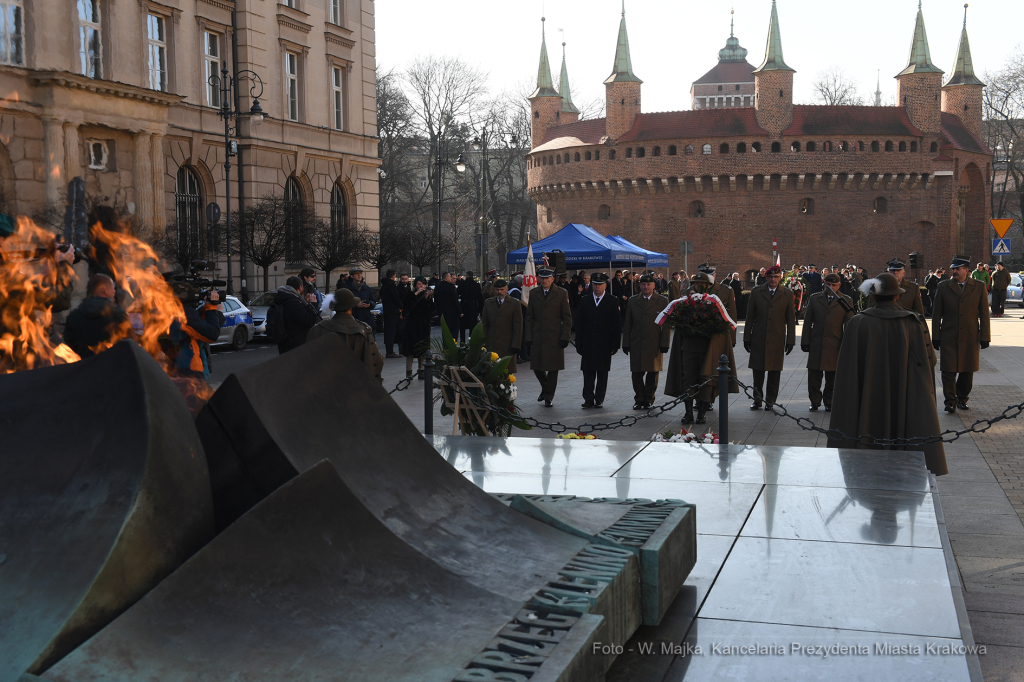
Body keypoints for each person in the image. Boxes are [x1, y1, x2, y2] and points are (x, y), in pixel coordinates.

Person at [828, 273, 946, 476]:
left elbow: (847, 372)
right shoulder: (914, 322)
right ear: (897, 296)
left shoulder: (857, 324)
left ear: (873, 297)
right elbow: (929, 362)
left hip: (868, 400)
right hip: (905, 397)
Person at [663, 272, 738, 424]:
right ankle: (688, 412)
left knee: (707, 379)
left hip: (709, 346)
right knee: (687, 380)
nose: (699, 286)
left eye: (702, 283)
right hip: (689, 346)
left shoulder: (715, 301)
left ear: (708, 285)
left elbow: (726, 319)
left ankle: (702, 412)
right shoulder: (686, 298)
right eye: (696, 283)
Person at [932, 256, 990, 413]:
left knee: (967, 370)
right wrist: (935, 336)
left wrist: (985, 337)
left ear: (967, 270)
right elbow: (936, 314)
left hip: (970, 336)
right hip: (949, 335)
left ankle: (962, 398)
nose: (954, 271)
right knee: (948, 370)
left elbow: (984, 314)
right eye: (953, 269)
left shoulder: (978, 286)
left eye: (958, 269)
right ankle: (950, 401)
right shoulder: (944, 286)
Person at [744, 264, 796, 409]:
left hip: (777, 338)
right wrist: (746, 337)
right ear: (766, 277)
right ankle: (757, 399)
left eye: (776, 277)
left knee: (774, 371)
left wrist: (790, 340)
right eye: (770, 276)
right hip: (759, 337)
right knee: (758, 371)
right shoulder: (756, 292)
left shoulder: (787, 294)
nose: (773, 279)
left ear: (780, 277)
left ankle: (770, 400)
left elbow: (791, 319)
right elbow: (750, 317)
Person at [800, 273, 854, 411]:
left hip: (835, 343)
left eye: (834, 285)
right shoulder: (815, 298)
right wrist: (805, 341)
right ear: (824, 284)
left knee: (832, 376)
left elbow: (849, 324)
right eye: (828, 285)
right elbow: (807, 322)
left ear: (839, 285)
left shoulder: (846, 300)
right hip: (816, 341)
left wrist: (848, 344)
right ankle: (815, 400)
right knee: (814, 375)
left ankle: (829, 400)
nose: (830, 288)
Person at [307, 288, 384, 382]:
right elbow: (376, 360)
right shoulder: (363, 330)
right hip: (355, 385)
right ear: (351, 307)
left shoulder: (317, 330)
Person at [622, 273, 670, 410]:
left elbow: (666, 324)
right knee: (636, 372)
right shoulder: (632, 300)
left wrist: (664, 343)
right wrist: (625, 343)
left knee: (652, 372)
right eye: (643, 284)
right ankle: (639, 398)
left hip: (654, 341)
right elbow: (627, 324)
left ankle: (648, 398)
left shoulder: (662, 300)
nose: (646, 287)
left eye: (649, 284)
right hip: (637, 341)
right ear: (640, 285)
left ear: (654, 286)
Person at [524, 268, 571, 407]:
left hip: (554, 336)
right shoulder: (534, 293)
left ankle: (548, 397)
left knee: (553, 368)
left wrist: (565, 336)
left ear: (552, 279)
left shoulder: (562, 293)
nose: (544, 281)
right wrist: (528, 337)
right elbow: (529, 317)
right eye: (542, 278)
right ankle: (546, 388)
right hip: (538, 335)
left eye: (547, 278)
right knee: (537, 367)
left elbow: (567, 317)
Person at [574, 272, 621, 408]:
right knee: (588, 372)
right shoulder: (585, 299)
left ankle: (599, 398)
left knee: (602, 372)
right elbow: (579, 323)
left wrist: (615, 344)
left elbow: (616, 325)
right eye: (595, 284)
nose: (597, 287)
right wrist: (579, 342)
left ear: (605, 285)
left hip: (604, 343)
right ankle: (588, 398)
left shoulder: (612, 300)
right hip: (588, 342)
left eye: (600, 285)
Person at [63, 273, 133, 358]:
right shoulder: (119, 315)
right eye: (113, 288)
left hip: (84, 367)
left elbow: (69, 345)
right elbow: (129, 344)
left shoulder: (74, 316)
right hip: (112, 367)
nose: (114, 291)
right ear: (104, 291)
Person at [166, 281, 225, 381]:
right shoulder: (184, 315)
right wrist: (212, 308)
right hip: (188, 377)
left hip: (172, 371)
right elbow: (211, 334)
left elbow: (198, 329)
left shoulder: (168, 312)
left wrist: (206, 310)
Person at [480, 279, 523, 372]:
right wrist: (483, 342)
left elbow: (518, 326)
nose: (499, 292)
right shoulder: (488, 303)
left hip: (507, 345)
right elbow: (484, 324)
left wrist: (516, 344)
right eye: (497, 289)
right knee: (491, 372)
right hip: (491, 345)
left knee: (507, 373)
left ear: (507, 289)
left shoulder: (515, 303)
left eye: (502, 289)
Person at [273, 276, 321, 354]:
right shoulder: (294, 302)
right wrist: (313, 304)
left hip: (284, 342)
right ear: (300, 287)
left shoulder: (283, 298)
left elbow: (297, 315)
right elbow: (308, 321)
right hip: (295, 344)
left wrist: (304, 303)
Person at [400, 276, 435, 379]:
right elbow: (407, 305)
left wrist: (428, 299)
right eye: (419, 284)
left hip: (423, 326)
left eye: (423, 284)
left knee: (422, 349)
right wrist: (416, 293)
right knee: (410, 349)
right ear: (415, 285)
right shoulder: (410, 294)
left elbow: (432, 309)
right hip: (412, 325)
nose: (421, 286)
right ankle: (409, 371)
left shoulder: (426, 296)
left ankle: (421, 370)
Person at [703, 264, 738, 346]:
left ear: (714, 275)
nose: (708, 278)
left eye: (711, 275)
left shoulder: (726, 291)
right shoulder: (692, 290)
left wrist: (732, 339)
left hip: (719, 337)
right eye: (705, 275)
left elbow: (732, 315)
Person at [379, 269, 403, 357]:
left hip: (386, 310)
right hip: (393, 311)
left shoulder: (384, 285)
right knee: (392, 331)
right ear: (393, 275)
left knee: (388, 331)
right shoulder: (391, 285)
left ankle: (388, 350)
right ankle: (390, 352)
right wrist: (401, 306)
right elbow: (396, 297)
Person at [457, 270, 484, 343]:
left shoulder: (462, 284)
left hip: (464, 307)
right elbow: (480, 298)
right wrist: (479, 310)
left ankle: (462, 342)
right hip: (473, 308)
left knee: (463, 327)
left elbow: (457, 294)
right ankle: (471, 343)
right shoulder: (476, 285)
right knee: (472, 327)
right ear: (472, 276)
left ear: (467, 276)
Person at [433, 271, 461, 336]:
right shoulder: (451, 287)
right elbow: (455, 300)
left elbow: (436, 300)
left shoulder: (437, 287)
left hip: (442, 313)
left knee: (445, 331)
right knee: (454, 330)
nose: (451, 278)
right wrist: (459, 311)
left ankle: (445, 345)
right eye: (450, 277)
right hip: (452, 313)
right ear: (446, 278)